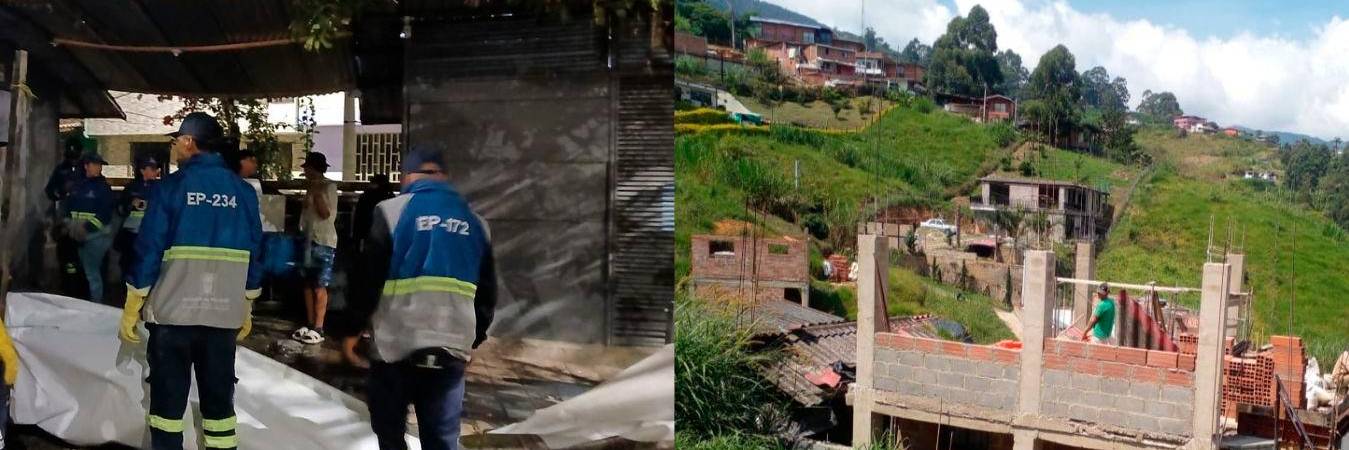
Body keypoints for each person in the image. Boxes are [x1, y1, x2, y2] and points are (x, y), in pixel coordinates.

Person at [121, 112, 263, 450]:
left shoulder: (171, 188)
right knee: (219, 409)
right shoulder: (243, 192)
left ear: (189, 142)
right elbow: (256, 251)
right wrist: (247, 303)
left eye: (176, 141)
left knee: (167, 409)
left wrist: (133, 303)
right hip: (223, 316)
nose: (175, 148)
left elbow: (150, 247)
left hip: (173, 317)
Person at [358, 145, 496, 450]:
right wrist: (474, 339)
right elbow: (487, 293)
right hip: (450, 346)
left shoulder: (390, 212)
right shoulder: (477, 224)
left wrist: (353, 328)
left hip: (395, 344)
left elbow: (369, 280)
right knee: (442, 438)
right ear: (445, 177)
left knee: (390, 432)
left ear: (407, 176)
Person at [338, 173, 395, 367]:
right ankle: (371, 332)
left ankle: (358, 335)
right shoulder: (391, 200)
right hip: (385, 254)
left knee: (364, 293)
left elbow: (359, 223)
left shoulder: (368, 197)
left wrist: (357, 243)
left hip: (367, 249)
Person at [293, 152, 338, 345]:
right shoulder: (310, 187)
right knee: (307, 283)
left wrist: (316, 191)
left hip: (323, 240)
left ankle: (319, 326)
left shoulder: (328, 186)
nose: (306, 172)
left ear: (314, 168)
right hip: (308, 238)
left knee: (320, 284)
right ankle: (310, 323)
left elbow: (326, 213)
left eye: (308, 168)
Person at [65, 151, 115, 303]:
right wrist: (67, 225)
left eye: (100, 165)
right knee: (81, 272)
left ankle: (96, 305)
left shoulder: (103, 188)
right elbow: (67, 208)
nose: (99, 168)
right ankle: (83, 302)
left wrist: (86, 228)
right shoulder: (76, 186)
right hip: (76, 235)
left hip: (97, 236)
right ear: (86, 166)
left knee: (92, 273)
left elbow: (105, 215)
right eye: (96, 165)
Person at [47, 139, 88, 296]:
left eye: (75, 156)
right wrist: (60, 193)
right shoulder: (61, 169)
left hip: (83, 220)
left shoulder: (86, 169)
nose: (73, 160)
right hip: (64, 216)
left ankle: (82, 290)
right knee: (65, 253)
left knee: (82, 258)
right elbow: (50, 191)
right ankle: (67, 287)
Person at [115, 155, 162, 280]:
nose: (155, 171)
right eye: (151, 169)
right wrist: (131, 203)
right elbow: (120, 209)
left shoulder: (160, 188)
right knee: (127, 263)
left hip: (150, 233)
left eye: (156, 168)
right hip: (131, 233)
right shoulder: (131, 188)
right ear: (142, 171)